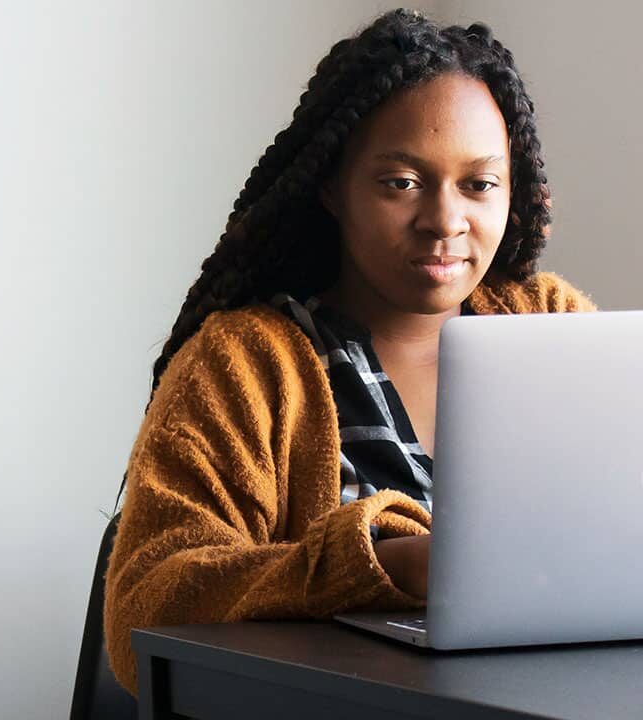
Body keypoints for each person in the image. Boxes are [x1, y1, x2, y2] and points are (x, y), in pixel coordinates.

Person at [103, 7, 598, 695]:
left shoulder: (550, 325)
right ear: (333, 188)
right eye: (401, 182)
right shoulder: (246, 363)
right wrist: (389, 565)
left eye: (479, 184)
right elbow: (146, 607)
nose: (445, 221)